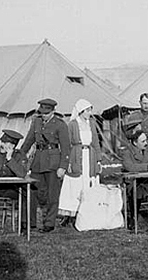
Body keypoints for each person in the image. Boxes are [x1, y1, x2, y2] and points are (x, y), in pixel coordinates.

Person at [19, 98, 70, 233]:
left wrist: (63, 166)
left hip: (53, 162)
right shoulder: (36, 122)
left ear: (53, 111)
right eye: (42, 113)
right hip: (37, 161)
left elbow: (66, 148)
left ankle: (49, 223)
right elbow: (29, 140)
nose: (44, 115)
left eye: (47, 113)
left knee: (52, 194)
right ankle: (29, 222)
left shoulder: (60, 124)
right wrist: (20, 156)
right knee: (32, 191)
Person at [57, 99, 102, 228]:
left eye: (90, 110)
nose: (89, 113)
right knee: (74, 185)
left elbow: (96, 143)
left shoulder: (91, 124)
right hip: (76, 157)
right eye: (87, 110)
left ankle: (87, 212)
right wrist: (68, 162)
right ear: (81, 111)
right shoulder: (72, 124)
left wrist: (98, 160)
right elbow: (68, 144)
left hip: (90, 157)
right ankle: (70, 214)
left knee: (89, 183)